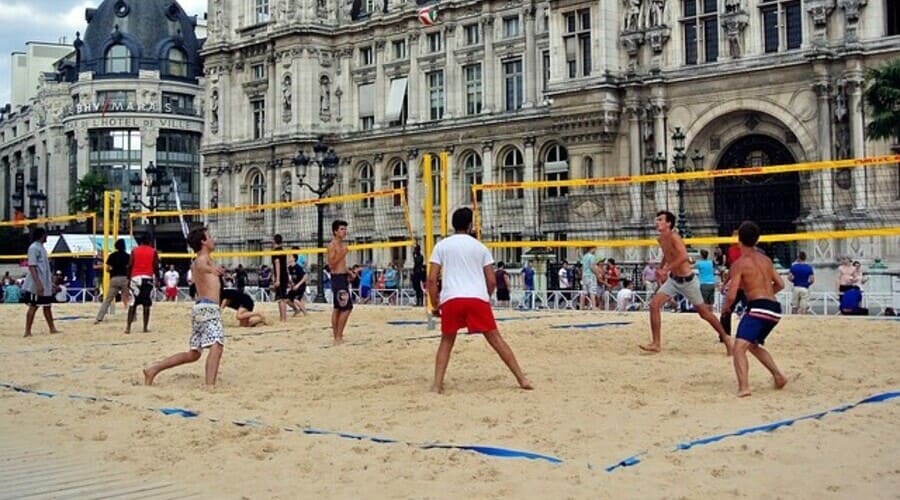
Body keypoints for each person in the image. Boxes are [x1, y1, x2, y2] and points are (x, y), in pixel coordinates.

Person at [427, 207, 532, 393]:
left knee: (446, 342)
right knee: (496, 340)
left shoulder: (441, 246)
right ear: (470, 225)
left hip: (452, 299)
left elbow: (431, 279)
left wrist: (436, 304)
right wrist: (485, 295)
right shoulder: (480, 247)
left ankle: (437, 385)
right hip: (477, 298)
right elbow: (491, 280)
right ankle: (522, 379)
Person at [143, 227, 225, 386]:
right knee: (217, 346)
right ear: (203, 241)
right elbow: (201, 266)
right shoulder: (203, 260)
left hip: (201, 308)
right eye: (209, 237)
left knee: (193, 354)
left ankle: (153, 369)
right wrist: (213, 270)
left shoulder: (202, 261)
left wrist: (214, 270)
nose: (213, 239)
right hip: (208, 309)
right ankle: (210, 387)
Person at [641, 211, 732, 354]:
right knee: (654, 305)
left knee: (704, 314)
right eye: (656, 219)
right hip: (674, 280)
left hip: (688, 281)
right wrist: (661, 268)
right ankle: (656, 343)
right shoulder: (661, 239)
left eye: (660, 219)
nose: (656, 222)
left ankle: (726, 338)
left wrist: (666, 270)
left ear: (669, 223)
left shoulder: (674, 237)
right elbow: (667, 254)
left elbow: (683, 256)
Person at [722, 221, 788, 397]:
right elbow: (780, 284)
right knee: (752, 345)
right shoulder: (765, 260)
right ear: (757, 240)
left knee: (738, 348)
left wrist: (726, 309)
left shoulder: (740, 263)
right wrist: (765, 297)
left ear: (739, 240)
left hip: (759, 308)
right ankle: (778, 376)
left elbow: (731, 294)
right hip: (774, 308)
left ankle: (744, 387)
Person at [22, 228, 59, 337]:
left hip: (44, 282)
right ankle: (27, 331)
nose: (47, 237)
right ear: (42, 235)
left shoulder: (41, 247)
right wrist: (38, 284)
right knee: (33, 306)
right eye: (46, 235)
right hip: (36, 283)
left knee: (47, 305)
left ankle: (52, 328)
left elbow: (45, 268)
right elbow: (32, 267)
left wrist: (51, 282)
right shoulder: (33, 248)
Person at [126, 235, 160, 334]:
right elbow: (155, 266)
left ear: (140, 242)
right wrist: (157, 279)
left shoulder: (134, 250)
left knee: (133, 303)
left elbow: (130, 265)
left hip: (135, 277)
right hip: (147, 278)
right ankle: (145, 327)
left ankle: (128, 327)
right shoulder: (153, 251)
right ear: (149, 242)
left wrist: (128, 278)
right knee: (146, 304)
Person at [327, 220, 353, 345]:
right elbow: (331, 264)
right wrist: (343, 254)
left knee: (338, 307)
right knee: (347, 307)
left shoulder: (341, 244)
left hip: (342, 277)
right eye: (342, 229)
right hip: (337, 278)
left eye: (345, 229)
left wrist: (349, 272)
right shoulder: (332, 245)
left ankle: (338, 336)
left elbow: (341, 264)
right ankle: (338, 336)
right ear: (335, 231)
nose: (344, 231)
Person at [95, 238, 131, 323]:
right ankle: (132, 317)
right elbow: (130, 267)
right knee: (128, 298)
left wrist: (112, 270)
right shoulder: (128, 256)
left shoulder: (112, 256)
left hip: (114, 278)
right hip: (124, 278)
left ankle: (99, 317)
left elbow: (107, 268)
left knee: (108, 299)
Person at [271, 234, 289, 322]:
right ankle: (283, 318)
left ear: (274, 241)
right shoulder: (283, 251)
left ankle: (283, 318)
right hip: (284, 275)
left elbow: (277, 264)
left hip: (280, 276)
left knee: (281, 298)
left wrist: (277, 279)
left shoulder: (275, 251)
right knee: (283, 298)